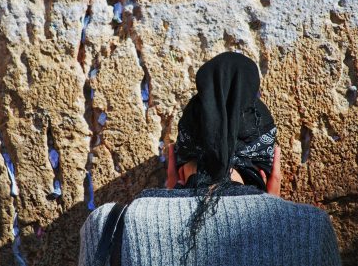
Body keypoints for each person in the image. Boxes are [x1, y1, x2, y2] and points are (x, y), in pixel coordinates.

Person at [78, 52, 341, 266]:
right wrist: (275, 212)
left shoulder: (108, 229)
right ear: (269, 171)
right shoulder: (311, 231)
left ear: (175, 166)